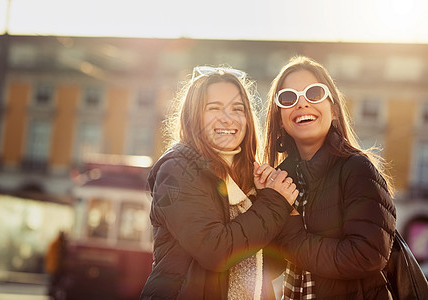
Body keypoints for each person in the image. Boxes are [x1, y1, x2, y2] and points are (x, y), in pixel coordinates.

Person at [140, 66, 298, 300]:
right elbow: (215, 250)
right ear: (194, 115)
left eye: (238, 109)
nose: (228, 117)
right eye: (214, 108)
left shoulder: (250, 177)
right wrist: (275, 203)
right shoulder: (176, 171)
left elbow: (266, 265)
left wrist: (279, 203)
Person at [260, 56, 397, 299]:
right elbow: (272, 266)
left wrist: (293, 233)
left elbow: (367, 255)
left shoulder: (358, 169)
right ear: (279, 119)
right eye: (289, 97)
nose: (302, 103)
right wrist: (266, 205)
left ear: (333, 111)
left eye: (314, 93)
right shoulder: (283, 180)